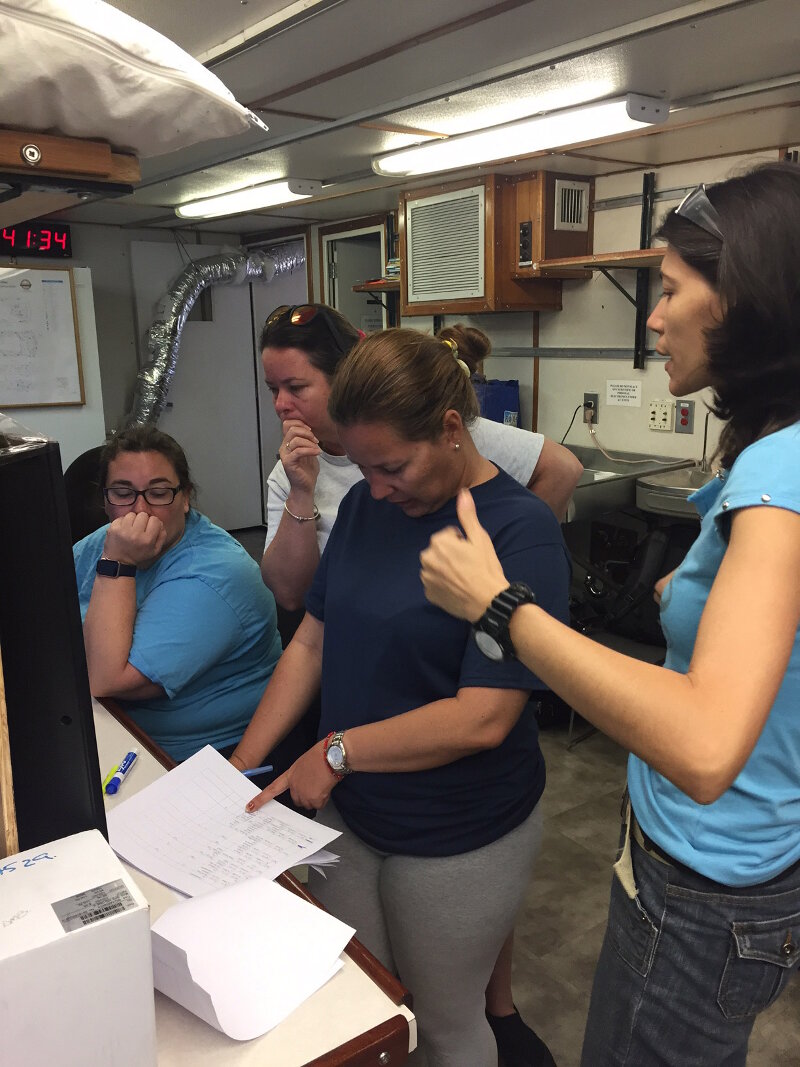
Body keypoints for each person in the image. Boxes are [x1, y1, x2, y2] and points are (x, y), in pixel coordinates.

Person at [419, 161, 800, 1067]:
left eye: (670, 291)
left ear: (744, 298)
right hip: (742, 864)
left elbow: (707, 748)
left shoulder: (778, 476)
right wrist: (697, 597)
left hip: (707, 885)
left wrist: (500, 605)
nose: (656, 316)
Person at [231, 328, 572, 1067]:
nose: (378, 486)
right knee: (375, 1007)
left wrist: (336, 749)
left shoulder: (520, 530)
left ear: (451, 429)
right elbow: (311, 642)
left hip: (458, 828)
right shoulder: (364, 508)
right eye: (363, 466)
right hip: (354, 811)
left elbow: (484, 717)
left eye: (392, 466)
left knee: (446, 1022)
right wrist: (243, 765)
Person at [259, 303, 582, 611]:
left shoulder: (443, 433)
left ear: (345, 375)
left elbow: (562, 468)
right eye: (273, 389)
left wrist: (504, 561)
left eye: (296, 387)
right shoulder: (301, 475)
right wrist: (302, 494)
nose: (280, 405)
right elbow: (290, 596)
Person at [73, 424, 282, 763]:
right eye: (123, 492)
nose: (140, 510)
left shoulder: (215, 576)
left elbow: (105, 679)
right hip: (110, 724)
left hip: (191, 756)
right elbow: (45, 606)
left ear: (185, 498)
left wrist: (119, 562)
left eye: (158, 492)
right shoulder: (107, 539)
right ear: (105, 501)